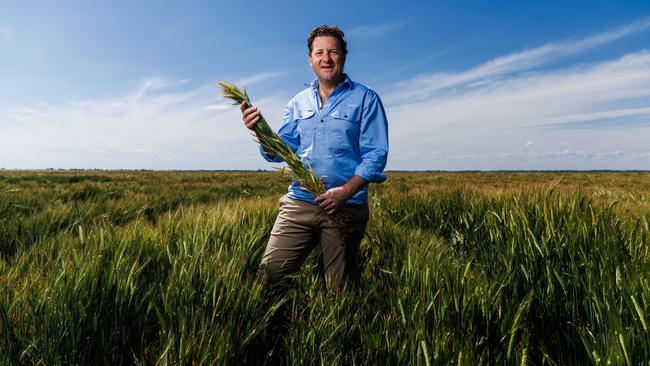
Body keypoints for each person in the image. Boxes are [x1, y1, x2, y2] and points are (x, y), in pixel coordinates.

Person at [240, 25, 389, 293]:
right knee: (270, 274)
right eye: (319, 52)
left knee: (339, 290)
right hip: (300, 201)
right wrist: (260, 131)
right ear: (310, 59)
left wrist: (345, 192)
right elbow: (278, 152)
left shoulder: (366, 98)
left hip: (345, 207)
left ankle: (331, 331)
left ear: (343, 55)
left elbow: (375, 154)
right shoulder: (298, 102)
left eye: (333, 51)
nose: (326, 58)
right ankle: (284, 326)